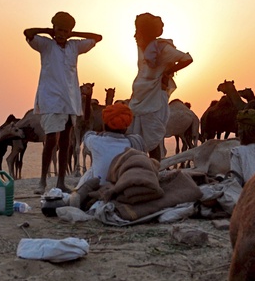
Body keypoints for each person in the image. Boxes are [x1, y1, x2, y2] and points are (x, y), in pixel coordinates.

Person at [24, 11, 102, 194]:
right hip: (51, 100)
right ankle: (42, 182)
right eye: (59, 29)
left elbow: (98, 37)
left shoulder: (74, 46)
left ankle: (60, 182)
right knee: (51, 140)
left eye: (66, 31)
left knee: (66, 140)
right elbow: (27, 32)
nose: (62, 34)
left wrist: (72, 34)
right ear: (53, 29)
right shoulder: (46, 45)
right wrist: (48, 31)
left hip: (70, 101)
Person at [128, 13, 193, 161]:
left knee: (154, 137)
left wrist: (168, 72)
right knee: (135, 135)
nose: (135, 36)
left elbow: (188, 59)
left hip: (155, 97)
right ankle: (140, 169)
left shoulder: (163, 48)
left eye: (138, 32)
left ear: (146, 33)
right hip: (139, 97)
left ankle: (155, 171)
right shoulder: (142, 47)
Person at [70, 102, 146, 211]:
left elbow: (87, 135)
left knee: (91, 171)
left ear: (104, 125)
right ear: (126, 128)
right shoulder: (133, 143)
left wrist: (100, 134)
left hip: (100, 187)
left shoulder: (95, 141)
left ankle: (77, 195)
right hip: (125, 188)